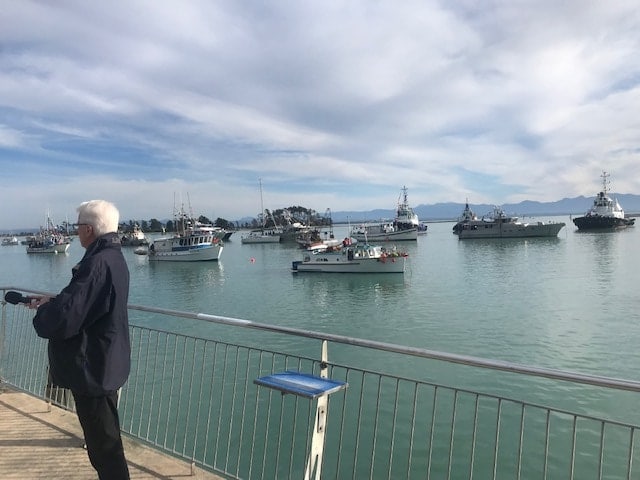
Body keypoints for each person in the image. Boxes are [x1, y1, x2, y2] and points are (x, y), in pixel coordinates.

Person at [29, 199, 131, 480]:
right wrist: (56, 301)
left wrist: (45, 312)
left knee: (105, 450)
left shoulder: (97, 264)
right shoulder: (112, 257)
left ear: (88, 229)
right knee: (105, 445)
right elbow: (85, 305)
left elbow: (63, 320)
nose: (75, 232)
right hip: (105, 362)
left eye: (77, 227)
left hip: (94, 369)